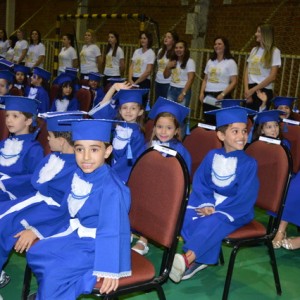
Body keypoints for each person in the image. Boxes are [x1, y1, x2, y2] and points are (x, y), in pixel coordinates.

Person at [26, 118, 131, 299]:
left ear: (107, 151)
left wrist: (108, 268)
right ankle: (54, 292)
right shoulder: (79, 173)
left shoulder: (112, 189)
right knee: (37, 252)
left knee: (55, 272)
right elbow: (65, 209)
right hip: (76, 234)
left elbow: (113, 230)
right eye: (80, 149)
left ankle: (54, 292)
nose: (86, 157)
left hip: (98, 245)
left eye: (94, 149)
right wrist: (39, 230)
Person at [169, 106, 259, 283]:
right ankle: (202, 259)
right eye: (235, 131)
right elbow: (201, 182)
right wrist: (207, 204)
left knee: (213, 221)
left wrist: (217, 210)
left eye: (244, 131)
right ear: (221, 135)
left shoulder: (249, 163)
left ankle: (188, 259)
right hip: (209, 202)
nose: (242, 136)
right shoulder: (212, 155)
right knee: (185, 214)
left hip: (235, 209)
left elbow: (246, 195)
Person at [0, 111, 83, 289]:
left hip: (50, 214)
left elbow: (68, 210)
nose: (47, 140)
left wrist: (37, 230)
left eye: (50, 137)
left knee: (4, 224)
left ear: (61, 141)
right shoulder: (54, 156)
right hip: (37, 202)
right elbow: (36, 184)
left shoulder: (77, 168)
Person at [132, 96, 192, 255]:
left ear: (177, 130)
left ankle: (143, 240)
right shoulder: (149, 146)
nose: (163, 132)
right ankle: (137, 232)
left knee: (152, 200)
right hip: (148, 189)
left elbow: (184, 179)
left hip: (168, 194)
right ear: (154, 127)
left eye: (169, 128)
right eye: (159, 127)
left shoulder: (181, 151)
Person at [0, 96, 44, 202]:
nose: (9, 120)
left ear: (28, 121)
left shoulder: (34, 149)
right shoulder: (3, 143)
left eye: (15, 116)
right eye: (7, 116)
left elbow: (34, 178)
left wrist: (5, 183)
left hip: (14, 193)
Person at [111, 88, 148, 183]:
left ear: (140, 112)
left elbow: (130, 160)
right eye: (124, 107)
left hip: (126, 173)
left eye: (133, 108)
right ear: (119, 110)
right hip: (114, 167)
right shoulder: (117, 127)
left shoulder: (137, 135)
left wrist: (111, 171)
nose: (128, 111)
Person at [199, 36, 238, 124]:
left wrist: (223, 94)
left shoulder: (230, 62)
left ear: (225, 46)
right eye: (215, 44)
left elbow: (234, 81)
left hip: (220, 96)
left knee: (219, 121)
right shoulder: (210, 61)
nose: (217, 46)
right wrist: (201, 93)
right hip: (208, 95)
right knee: (208, 121)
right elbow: (205, 79)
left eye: (219, 44)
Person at [244, 24, 281, 111]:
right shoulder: (254, 50)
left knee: (259, 120)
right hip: (250, 89)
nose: (256, 34)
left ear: (265, 34)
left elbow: (272, 76)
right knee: (247, 119)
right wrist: (247, 90)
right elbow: (247, 72)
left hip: (263, 90)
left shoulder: (275, 51)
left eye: (259, 32)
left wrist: (253, 90)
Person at [164, 40, 195, 108]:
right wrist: (168, 67)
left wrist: (183, 93)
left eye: (181, 48)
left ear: (185, 49)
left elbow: (191, 79)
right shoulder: (172, 61)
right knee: (170, 112)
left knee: (180, 114)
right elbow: (165, 76)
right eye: (176, 48)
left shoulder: (190, 61)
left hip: (183, 89)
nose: (178, 50)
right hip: (172, 89)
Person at [128, 31, 155, 106]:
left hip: (143, 81)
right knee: (132, 102)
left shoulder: (151, 53)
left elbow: (148, 71)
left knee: (141, 104)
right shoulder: (137, 51)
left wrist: (136, 83)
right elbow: (131, 66)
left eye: (144, 38)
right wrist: (130, 79)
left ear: (149, 40)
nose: (142, 40)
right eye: (141, 38)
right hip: (133, 80)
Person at [155, 30, 179, 99]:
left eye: (169, 37)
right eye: (165, 37)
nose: (166, 38)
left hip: (168, 82)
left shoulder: (175, 52)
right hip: (158, 81)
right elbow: (158, 66)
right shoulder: (160, 51)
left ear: (173, 41)